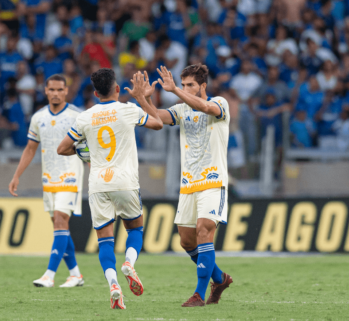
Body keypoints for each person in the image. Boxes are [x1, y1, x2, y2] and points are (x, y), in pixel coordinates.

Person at [57, 68, 162, 309]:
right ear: (117, 89)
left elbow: (62, 149)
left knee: (104, 240)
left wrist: (84, 151)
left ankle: (114, 285)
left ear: (95, 93)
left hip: (98, 184)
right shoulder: (128, 109)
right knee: (135, 228)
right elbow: (157, 124)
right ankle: (129, 263)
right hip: (125, 181)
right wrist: (141, 98)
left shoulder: (85, 117)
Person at [142, 64, 233, 307]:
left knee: (204, 230)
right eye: (183, 85)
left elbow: (204, 107)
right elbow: (157, 117)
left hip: (213, 181)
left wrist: (173, 91)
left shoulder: (220, 103)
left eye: (190, 85)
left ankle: (198, 295)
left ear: (203, 86)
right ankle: (219, 278)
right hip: (188, 183)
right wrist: (144, 98)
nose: (185, 89)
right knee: (186, 241)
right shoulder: (182, 109)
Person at [9, 74, 85, 289]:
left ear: (66, 91)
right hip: (48, 178)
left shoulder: (76, 116)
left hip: (70, 176)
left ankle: (49, 275)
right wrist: (16, 176)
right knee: (59, 226)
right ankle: (75, 275)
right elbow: (30, 148)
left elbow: (88, 147)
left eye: (60, 90)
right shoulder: (38, 117)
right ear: (45, 91)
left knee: (61, 220)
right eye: (51, 90)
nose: (55, 93)